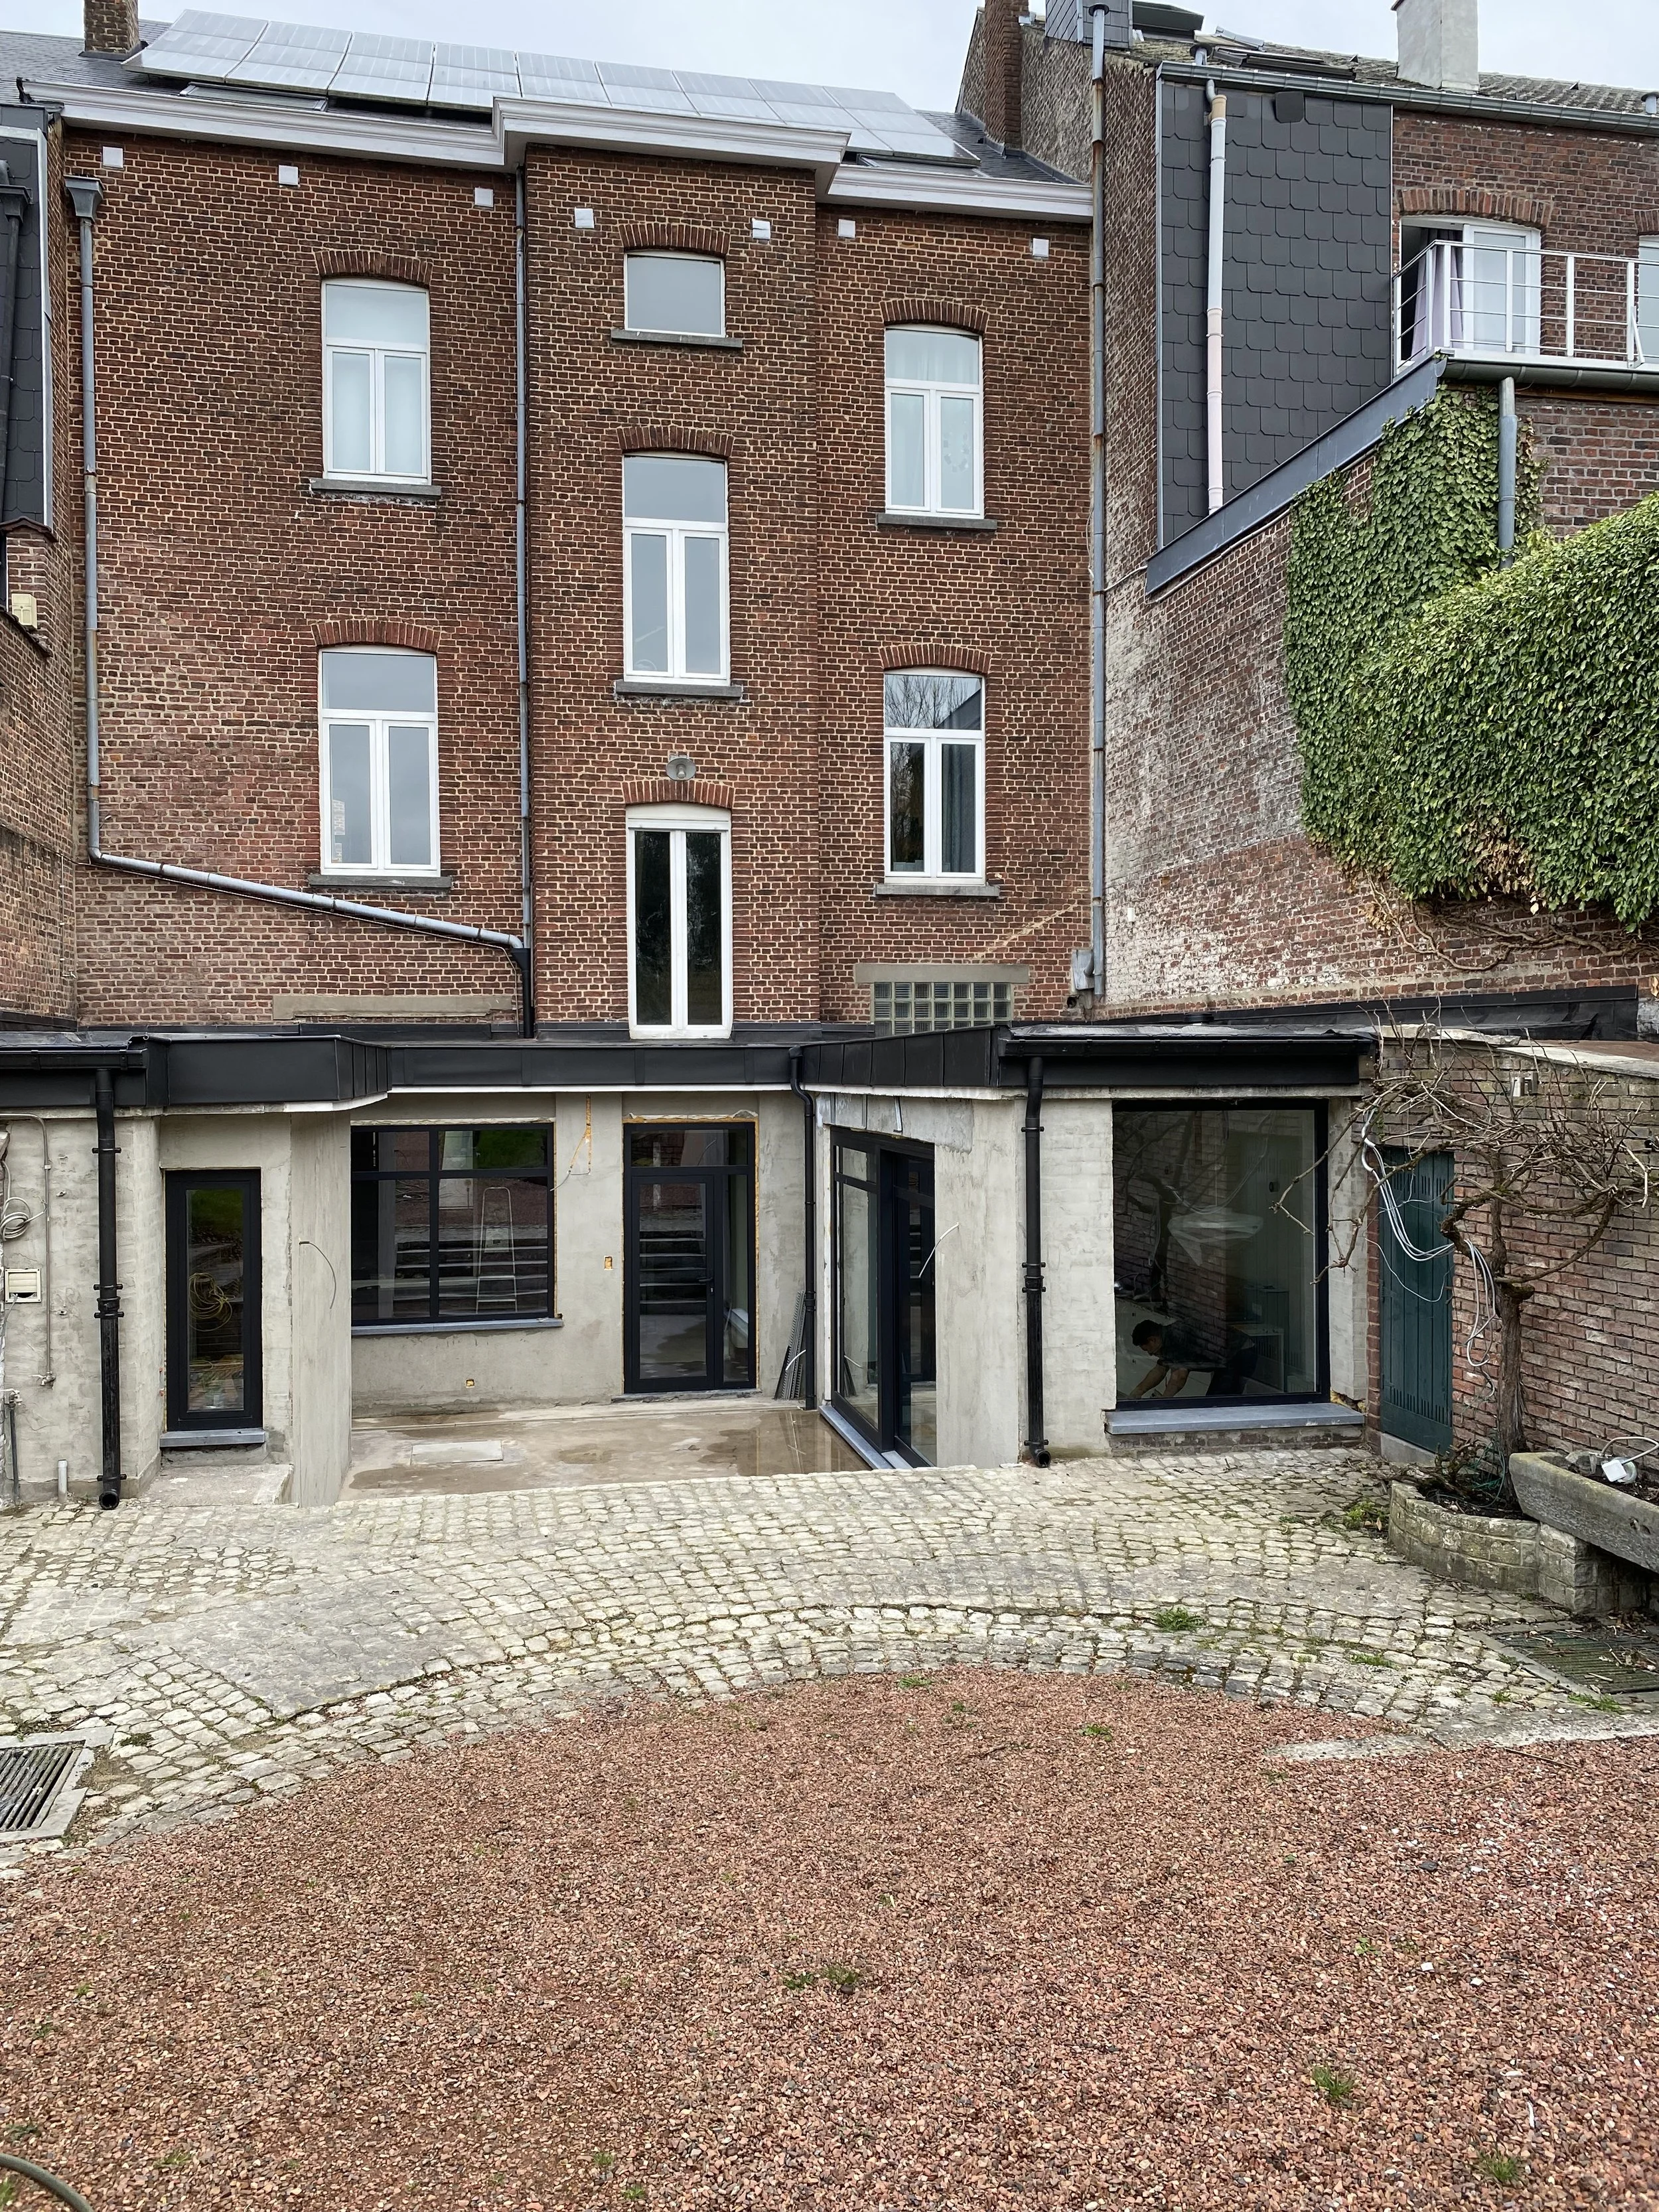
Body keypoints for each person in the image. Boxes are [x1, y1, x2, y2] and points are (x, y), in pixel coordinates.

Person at [1128, 1317, 1202, 1398]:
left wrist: (1164, 1401)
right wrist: (1138, 1392)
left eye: (1147, 1349)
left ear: (1152, 1340)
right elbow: (1160, 1370)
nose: (1150, 1354)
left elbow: (1180, 1376)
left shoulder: (1175, 1340)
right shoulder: (1167, 1338)